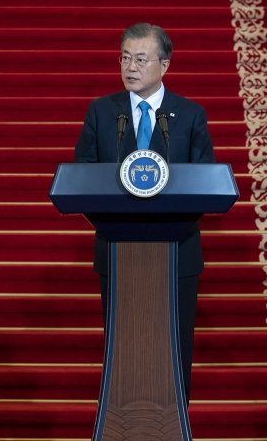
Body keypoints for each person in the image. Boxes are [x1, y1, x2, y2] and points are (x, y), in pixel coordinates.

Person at [74, 22, 214, 397]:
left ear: (164, 65)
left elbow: (204, 182)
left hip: (177, 252)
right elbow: (82, 176)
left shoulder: (190, 114)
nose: (130, 67)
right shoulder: (103, 112)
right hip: (117, 250)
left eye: (140, 59)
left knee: (174, 354)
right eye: (124, 58)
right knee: (125, 354)